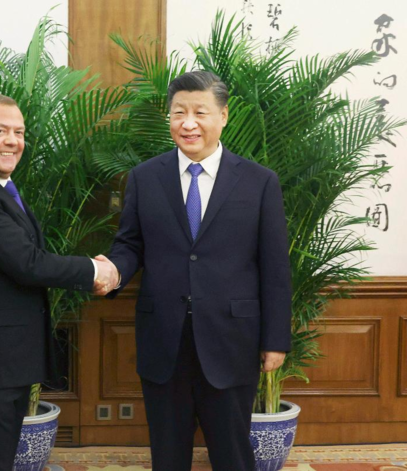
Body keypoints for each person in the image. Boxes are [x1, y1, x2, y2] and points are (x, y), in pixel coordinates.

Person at [100, 71, 292, 471]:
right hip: (164, 339)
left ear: (222, 116)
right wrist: (114, 271)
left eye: (199, 112)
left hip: (232, 339)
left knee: (233, 455)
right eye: (178, 113)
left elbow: (274, 266)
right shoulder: (145, 177)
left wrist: (275, 339)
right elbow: (130, 244)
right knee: (167, 455)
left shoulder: (258, 182)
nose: (188, 123)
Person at [0, 94, 118, 470]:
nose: (12, 141)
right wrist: (95, 271)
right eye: (0, 130)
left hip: (4, 363)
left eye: (18, 132)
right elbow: (27, 264)